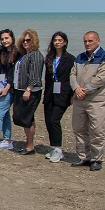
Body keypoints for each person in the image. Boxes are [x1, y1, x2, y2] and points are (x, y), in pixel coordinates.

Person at [70, 31, 105, 171]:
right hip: (79, 99)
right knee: (79, 129)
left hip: (96, 100)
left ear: (98, 41)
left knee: (97, 130)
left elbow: (101, 79)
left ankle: (97, 159)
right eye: (85, 41)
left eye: (90, 41)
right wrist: (76, 89)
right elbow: (72, 75)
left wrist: (84, 91)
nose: (87, 44)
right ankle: (84, 157)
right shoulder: (80, 57)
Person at [11, 29, 45, 155]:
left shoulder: (35, 55)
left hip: (30, 91)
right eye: (24, 40)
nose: (25, 42)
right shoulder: (25, 55)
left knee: (27, 118)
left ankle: (30, 146)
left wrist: (28, 90)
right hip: (20, 90)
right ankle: (28, 144)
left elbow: (35, 75)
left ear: (34, 41)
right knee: (24, 118)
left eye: (28, 40)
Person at [42, 32, 75, 163]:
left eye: (60, 40)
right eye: (55, 40)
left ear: (65, 42)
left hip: (63, 94)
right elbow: (47, 78)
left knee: (54, 120)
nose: (57, 42)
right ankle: (54, 147)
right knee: (48, 121)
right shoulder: (50, 58)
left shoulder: (70, 59)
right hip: (50, 93)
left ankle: (59, 150)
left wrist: (72, 95)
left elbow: (73, 78)